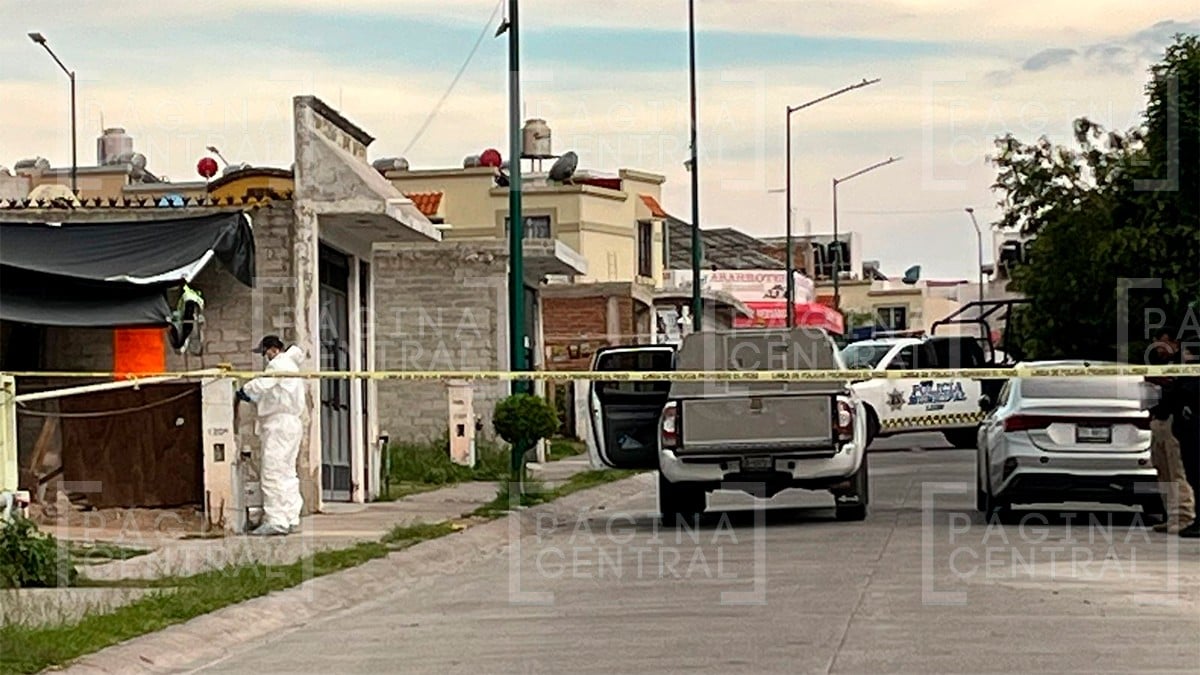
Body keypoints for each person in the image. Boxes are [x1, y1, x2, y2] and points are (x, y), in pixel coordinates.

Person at [237, 335, 306, 536]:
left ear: (273, 349)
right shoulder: (292, 366)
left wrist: (245, 390)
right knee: (287, 473)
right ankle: (291, 517)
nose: (265, 357)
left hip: (279, 425)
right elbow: (273, 393)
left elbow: (264, 384)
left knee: (272, 472)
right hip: (290, 424)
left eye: (265, 352)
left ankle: (276, 520)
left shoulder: (280, 363)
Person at [1146, 330, 1195, 533]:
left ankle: (1184, 516)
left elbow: (1186, 390)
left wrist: (1167, 385)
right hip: (1159, 418)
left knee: (1177, 470)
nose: (1156, 345)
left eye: (1160, 340)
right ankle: (1171, 515)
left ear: (1172, 341)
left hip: (1174, 421)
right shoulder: (1165, 364)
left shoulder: (1185, 362)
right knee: (1163, 470)